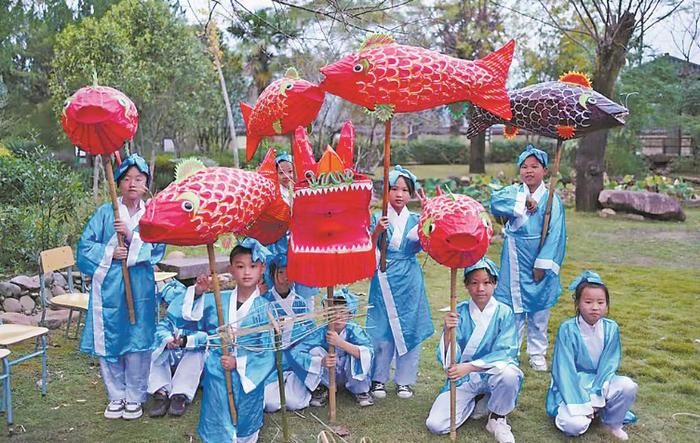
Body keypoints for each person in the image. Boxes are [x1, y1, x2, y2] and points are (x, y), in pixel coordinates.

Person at [77, 153, 166, 420]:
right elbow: (84, 248)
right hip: (109, 288)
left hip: (140, 287)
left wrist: (132, 240)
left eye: (138, 179)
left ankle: (135, 397)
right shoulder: (106, 213)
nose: (132, 184)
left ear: (146, 183)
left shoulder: (151, 214)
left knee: (138, 340)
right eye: (126, 179)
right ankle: (116, 395)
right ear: (117, 183)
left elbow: (159, 247)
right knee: (112, 340)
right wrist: (110, 252)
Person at [183, 239, 275, 443]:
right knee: (218, 419)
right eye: (240, 266)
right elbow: (189, 319)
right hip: (218, 371)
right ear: (230, 269)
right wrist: (198, 292)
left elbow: (269, 351)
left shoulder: (266, 308)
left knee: (245, 424)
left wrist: (239, 362)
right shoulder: (217, 300)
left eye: (253, 266)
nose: (247, 272)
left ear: (262, 268)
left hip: (249, 376)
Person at [426, 258, 522, 443]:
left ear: (494, 284)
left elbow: (506, 352)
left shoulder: (504, 313)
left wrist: (470, 366)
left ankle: (497, 417)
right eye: (474, 283)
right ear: (466, 285)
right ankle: (477, 402)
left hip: (491, 373)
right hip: (464, 378)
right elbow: (449, 361)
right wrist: (447, 332)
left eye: (486, 283)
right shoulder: (459, 311)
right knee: (436, 425)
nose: (481, 289)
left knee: (510, 374)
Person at [490, 145, 566, 371]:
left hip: (537, 259)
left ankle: (537, 353)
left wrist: (543, 264)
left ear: (545, 170)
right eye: (524, 167)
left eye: (534, 166)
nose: (529, 171)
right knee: (513, 309)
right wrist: (524, 201)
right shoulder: (513, 193)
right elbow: (495, 202)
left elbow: (556, 236)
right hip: (514, 258)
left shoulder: (552, 201)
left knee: (539, 310)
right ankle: (510, 350)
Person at [367, 165, 433, 399]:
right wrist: (376, 231)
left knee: (409, 327)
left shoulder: (415, 219)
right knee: (381, 329)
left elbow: (426, 245)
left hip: (409, 278)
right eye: (393, 188)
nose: (398, 194)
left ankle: (404, 380)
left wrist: (428, 216)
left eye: (405, 190)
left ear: (411, 194)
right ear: (386, 191)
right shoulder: (377, 217)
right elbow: (368, 249)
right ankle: (378, 379)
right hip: (383, 277)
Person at [547, 271, 637, 440]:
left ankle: (613, 423)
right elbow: (564, 369)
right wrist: (582, 405)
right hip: (573, 383)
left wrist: (596, 398)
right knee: (573, 426)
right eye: (588, 302)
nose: (595, 307)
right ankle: (582, 412)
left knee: (628, 386)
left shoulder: (611, 328)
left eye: (600, 302)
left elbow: (609, 364)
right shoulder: (567, 328)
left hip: (600, 381)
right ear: (577, 303)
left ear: (607, 304)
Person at [291, 289, 375, 408]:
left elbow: (369, 352)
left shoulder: (355, 330)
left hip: (348, 371)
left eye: (342, 311)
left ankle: (360, 390)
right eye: (333, 312)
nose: (337, 316)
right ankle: (323, 387)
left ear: (349, 314)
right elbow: (297, 352)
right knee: (315, 351)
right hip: (329, 371)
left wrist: (340, 343)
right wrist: (321, 361)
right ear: (326, 314)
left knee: (359, 352)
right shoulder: (321, 332)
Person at [262, 253, 316, 412]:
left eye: (290, 272)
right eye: (281, 272)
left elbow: (310, 333)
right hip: (271, 361)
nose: (286, 277)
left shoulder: (300, 302)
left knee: (296, 403)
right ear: (272, 274)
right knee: (270, 404)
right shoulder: (264, 301)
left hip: (295, 361)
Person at [147, 280, 205, 417]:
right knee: (155, 350)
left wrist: (184, 341)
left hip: (189, 365)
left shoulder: (196, 322)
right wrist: (168, 341)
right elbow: (160, 332)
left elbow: (203, 337)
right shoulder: (167, 323)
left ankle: (180, 394)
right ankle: (160, 392)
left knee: (197, 353)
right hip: (171, 358)